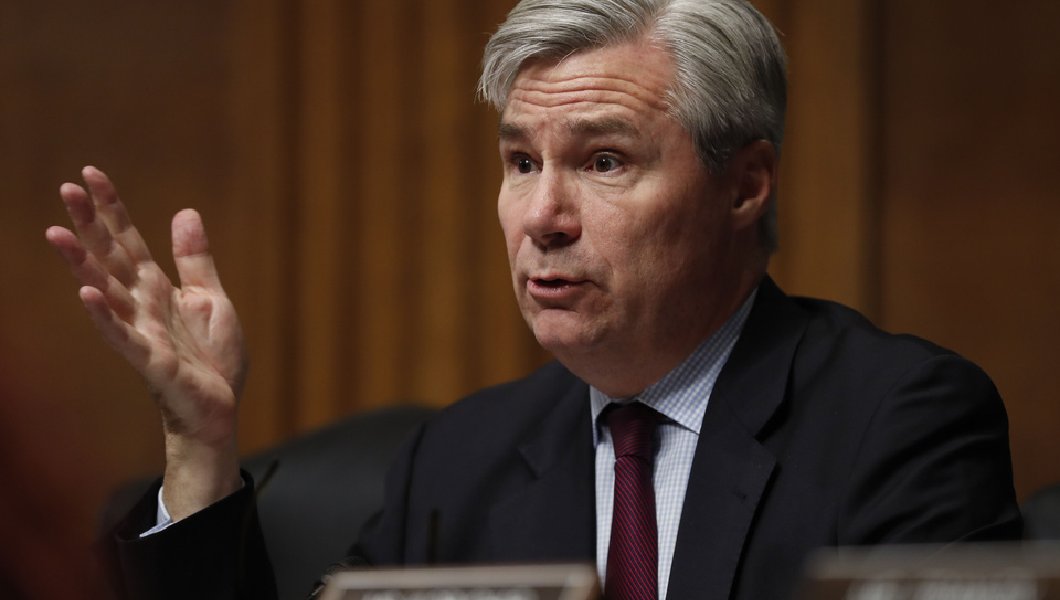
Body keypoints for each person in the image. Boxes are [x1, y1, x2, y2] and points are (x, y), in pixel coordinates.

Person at [46, 0, 1021, 598]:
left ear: (745, 185)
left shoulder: (900, 424)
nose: (543, 216)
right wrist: (201, 446)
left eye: (604, 161)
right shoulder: (459, 461)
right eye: (520, 161)